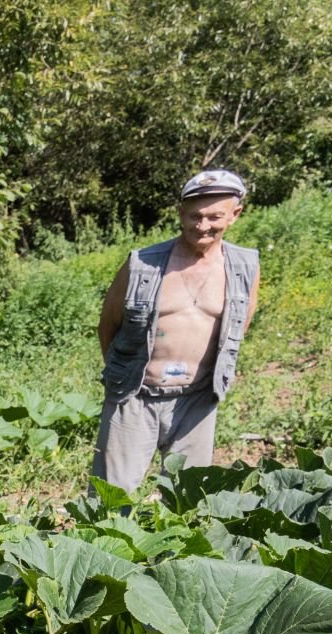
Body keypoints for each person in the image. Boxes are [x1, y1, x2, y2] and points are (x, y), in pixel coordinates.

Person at [93, 168, 261, 490]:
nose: (203, 226)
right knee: (110, 498)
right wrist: (122, 374)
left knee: (187, 501)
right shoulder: (142, 264)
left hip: (196, 400)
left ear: (235, 214)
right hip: (135, 396)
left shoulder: (245, 267)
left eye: (214, 217)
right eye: (195, 216)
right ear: (181, 213)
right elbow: (108, 324)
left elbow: (240, 325)